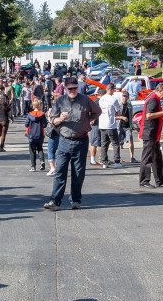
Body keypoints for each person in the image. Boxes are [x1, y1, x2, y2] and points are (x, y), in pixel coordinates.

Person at [44, 76, 101, 210]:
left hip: (81, 141)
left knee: (78, 173)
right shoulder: (60, 102)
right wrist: (60, 118)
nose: (73, 90)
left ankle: (75, 200)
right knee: (60, 172)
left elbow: (97, 111)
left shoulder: (85, 100)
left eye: (75, 88)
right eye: (70, 88)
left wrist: (89, 120)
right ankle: (55, 200)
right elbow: (53, 120)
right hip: (64, 141)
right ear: (65, 89)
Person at [138, 83, 163, 188]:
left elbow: (153, 115)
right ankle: (144, 180)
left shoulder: (155, 99)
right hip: (149, 133)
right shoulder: (153, 99)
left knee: (157, 157)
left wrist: (162, 114)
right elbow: (149, 115)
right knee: (147, 157)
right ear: (160, 91)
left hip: (153, 133)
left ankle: (159, 179)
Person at [97, 82, 122, 168]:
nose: (113, 92)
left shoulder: (101, 99)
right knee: (115, 143)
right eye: (113, 90)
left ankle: (104, 162)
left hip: (102, 124)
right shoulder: (113, 99)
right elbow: (118, 112)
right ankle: (117, 162)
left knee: (104, 144)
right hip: (111, 125)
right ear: (110, 90)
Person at [25, 99, 48, 171]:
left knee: (32, 150)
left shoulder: (29, 114)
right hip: (40, 134)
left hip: (31, 134)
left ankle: (33, 166)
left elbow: (26, 124)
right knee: (40, 148)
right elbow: (44, 125)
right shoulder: (42, 114)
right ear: (39, 106)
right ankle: (42, 161)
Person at [119, 91, 137, 163]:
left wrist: (131, 126)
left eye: (126, 96)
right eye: (123, 96)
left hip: (127, 126)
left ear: (128, 97)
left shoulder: (129, 105)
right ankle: (118, 157)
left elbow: (131, 117)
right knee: (118, 142)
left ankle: (132, 157)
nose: (124, 98)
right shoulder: (119, 104)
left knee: (131, 141)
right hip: (119, 125)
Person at [0, 86, 12, 151]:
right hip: (5, 120)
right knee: (3, 134)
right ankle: (1, 147)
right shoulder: (7, 106)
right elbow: (9, 115)